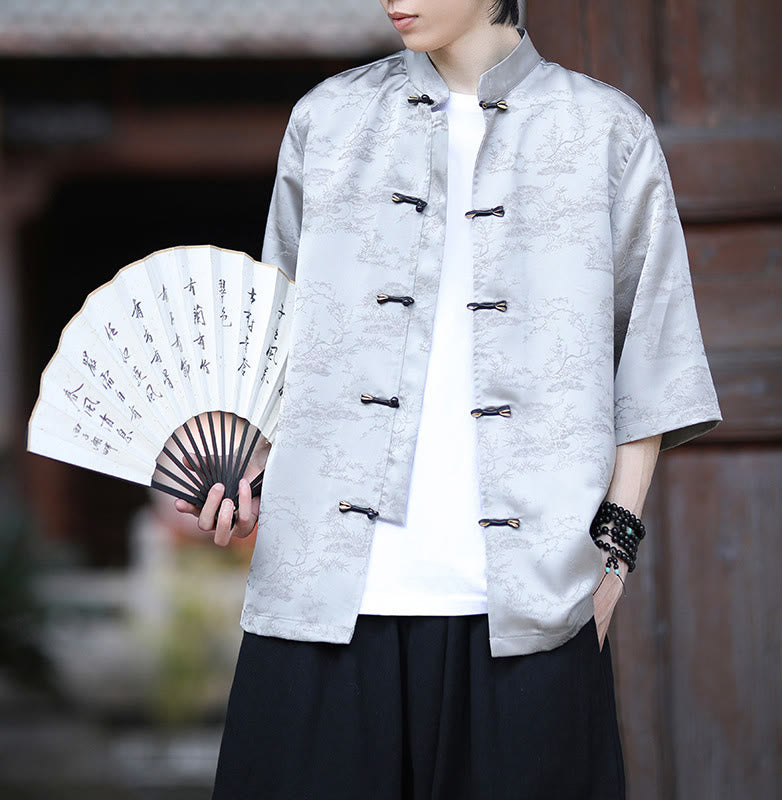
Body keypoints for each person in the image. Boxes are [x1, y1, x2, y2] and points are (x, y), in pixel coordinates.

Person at [176, 1, 722, 797]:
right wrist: (246, 466)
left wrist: (614, 557)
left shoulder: (606, 131)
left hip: (528, 608)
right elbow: (278, 340)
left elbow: (653, 357)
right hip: (323, 602)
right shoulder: (327, 121)